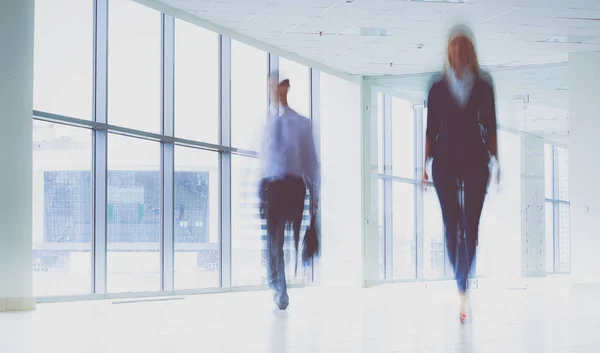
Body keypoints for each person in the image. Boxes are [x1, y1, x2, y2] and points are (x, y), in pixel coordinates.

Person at [422, 25, 500, 324]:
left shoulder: (483, 85)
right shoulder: (437, 87)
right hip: (444, 160)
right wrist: (423, 166)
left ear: (470, 52)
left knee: (471, 224)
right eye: (454, 48)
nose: (459, 53)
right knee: (451, 222)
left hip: (475, 160)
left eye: (463, 48)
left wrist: (497, 159)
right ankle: (461, 280)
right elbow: (431, 129)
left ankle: (464, 279)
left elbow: (491, 124)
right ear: (448, 53)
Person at [258, 71, 320, 310]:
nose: (274, 91)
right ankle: (279, 288)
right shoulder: (268, 124)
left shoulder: (301, 124)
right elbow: (264, 160)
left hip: (294, 186)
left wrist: (315, 193)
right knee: (274, 240)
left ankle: (282, 282)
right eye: (271, 87)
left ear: (286, 88)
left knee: (286, 239)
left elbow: (310, 161)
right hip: (272, 186)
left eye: (278, 87)